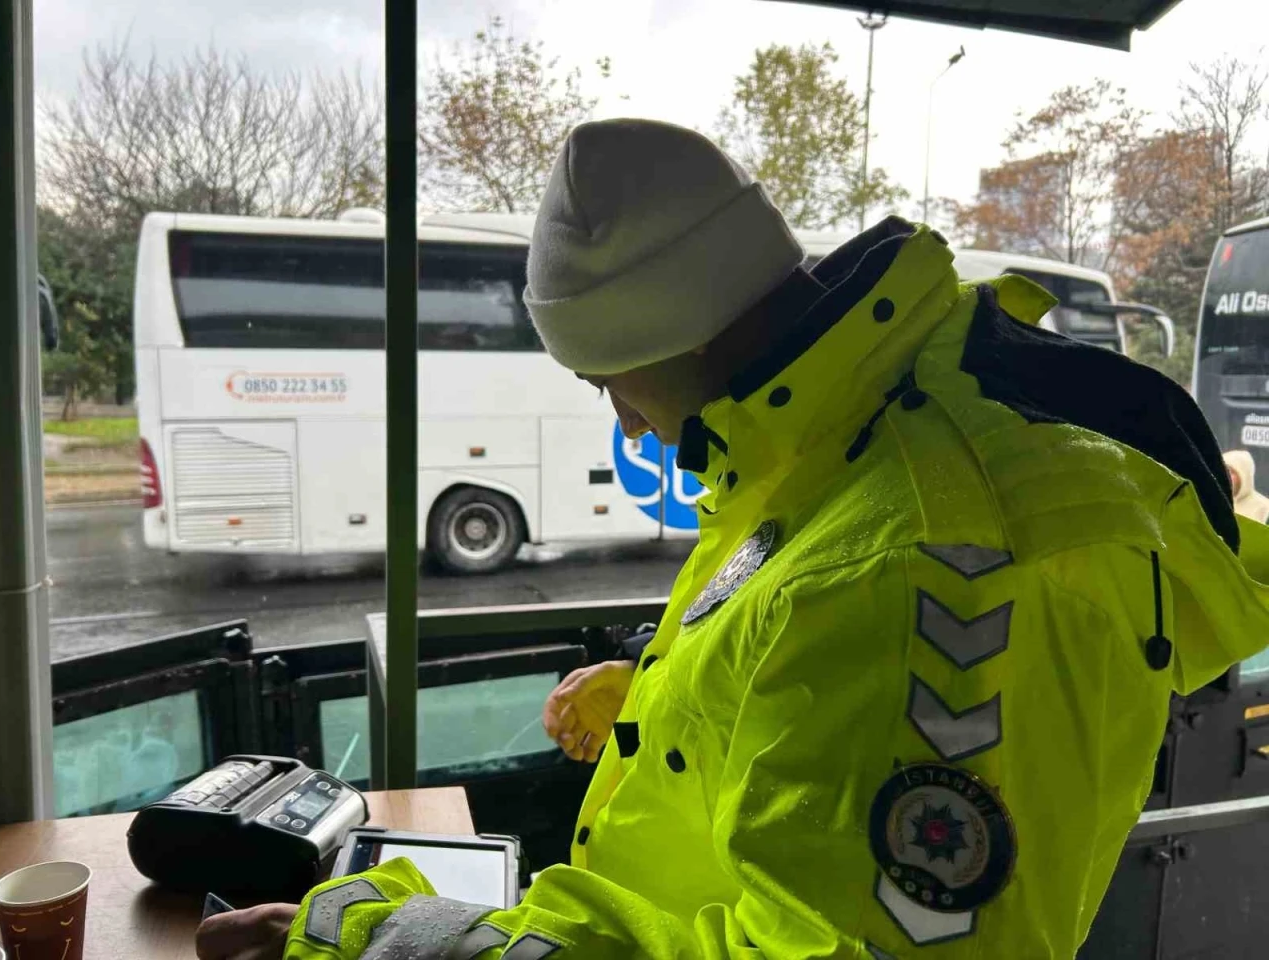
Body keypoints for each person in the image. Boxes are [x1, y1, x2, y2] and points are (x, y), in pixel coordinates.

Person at [197, 118, 1269, 960]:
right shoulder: (835, 443)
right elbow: (805, 674)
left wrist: (365, 937)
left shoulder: (909, 560)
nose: (619, 418)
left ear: (659, 335)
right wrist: (677, 701)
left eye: (603, 378)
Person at [1225, 449, 1269, 524]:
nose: (1226, 476)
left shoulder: (1264, 509)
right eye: (1223, 470)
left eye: (1231, 472)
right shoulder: (1213, 503)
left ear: (1244, 476)